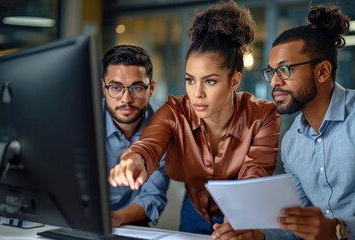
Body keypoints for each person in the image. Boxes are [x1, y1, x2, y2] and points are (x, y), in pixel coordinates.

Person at [212, 4, 355, 240]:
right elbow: (300, 226)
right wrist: (258, 235)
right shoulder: (293, 141)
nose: (273, 82)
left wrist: (337, 230)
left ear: (323, 71)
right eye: (271, 72)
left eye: (284, 69)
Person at [108, 1, 282, 235]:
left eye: (210, 81)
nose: (197, 93)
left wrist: (239, 222)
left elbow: (254, 177)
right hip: (194, 210)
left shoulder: (263, 115)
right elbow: (149, 144)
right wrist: (134, 159)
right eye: (190, 80)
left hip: (243, 211)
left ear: (234, 81)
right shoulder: (174, 111)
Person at [101, 45, 170, 227]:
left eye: (137, 88)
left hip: (131, 225)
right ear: (103, 87)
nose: (126, 99)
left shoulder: (163, 126)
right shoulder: (83, 120)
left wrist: (114, 219)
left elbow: (153, 197)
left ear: (151, 88)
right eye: (115, 87)